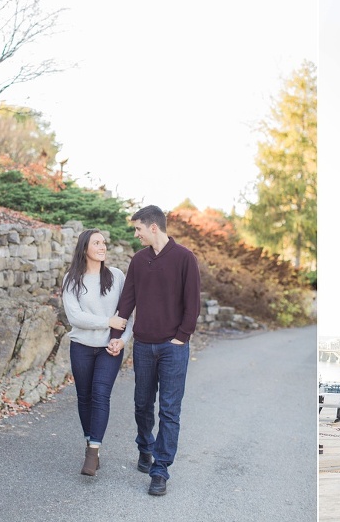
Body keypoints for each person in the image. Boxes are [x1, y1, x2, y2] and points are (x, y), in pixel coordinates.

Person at [109, 205, 201, 497]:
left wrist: (181, 337)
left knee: (170, 411)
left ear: (153, 227)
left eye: (137, 228)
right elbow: (127, 301)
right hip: (144, 346)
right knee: (141, 404)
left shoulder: (185, 258)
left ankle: (160, 470)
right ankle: (145, 447)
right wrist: (116, 335)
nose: (135, 234)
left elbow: (193, 303)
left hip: (173, 347)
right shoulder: (138, 261)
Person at [61, 229, 131, 476]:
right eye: (97, 243)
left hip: (109, 349)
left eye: (104, 243)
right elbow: (75, 317)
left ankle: (92, 451)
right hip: (80, 346)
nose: (103, 247)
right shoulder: (71, 279)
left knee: (100, 394)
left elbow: (128, 312)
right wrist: (107, 322)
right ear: (85, 248)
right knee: (84, 396)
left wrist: (122, 340)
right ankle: (90, 440)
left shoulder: (116, 276)